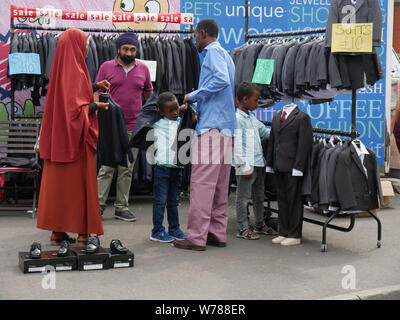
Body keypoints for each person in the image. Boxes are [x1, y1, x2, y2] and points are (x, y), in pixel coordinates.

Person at [37, 28, 109, 245]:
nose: (87, 48)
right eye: (85, 43)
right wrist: (97, 105)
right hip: (75, 142)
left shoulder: (61, 69)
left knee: (58, 186)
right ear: (77, 46)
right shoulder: (77, 71)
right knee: (80, 186)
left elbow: (70, 97)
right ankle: (83, 232)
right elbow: (76, 110)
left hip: (58, 139)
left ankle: (57, 232)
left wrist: (94, 86)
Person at [173, 18, 236, 251]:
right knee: (220, 185)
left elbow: (219, 81)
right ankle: (217, 233)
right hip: (226, 128)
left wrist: (192, 96)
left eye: (196, 36)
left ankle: (196, 237)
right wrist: (198, 106)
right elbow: (224, 88)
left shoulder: (211, 53)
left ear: (202, 34)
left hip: (212, 130)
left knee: (201, 184)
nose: (195, 41)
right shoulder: (227, 55)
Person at [95, 32, 153, 222]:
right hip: (111, 126)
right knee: (107, 167)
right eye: (126, 49)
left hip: (134, 126)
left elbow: (148, 93)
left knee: (127, 169)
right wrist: (99, 114)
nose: (129, 52)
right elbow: (97, 92)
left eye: (133, 49)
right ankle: (98, 207)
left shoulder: (143, 69)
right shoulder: (106, 67)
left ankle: (122, 207)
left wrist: (146, 117)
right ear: (118, 49)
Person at [233, 82, 277, 240]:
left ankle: (259, 224)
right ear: (245, 99)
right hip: (246, 165)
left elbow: (265, 132)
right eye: (255, 100)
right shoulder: (237, 119)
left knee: (259, 196)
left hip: (258, 163)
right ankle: (242, 228)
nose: (257, 103)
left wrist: (283, 130)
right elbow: (236, 145)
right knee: (243, 197)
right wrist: (243, 166)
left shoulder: (251, 118)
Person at [150, 92, 187, 243]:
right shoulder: (156, 123)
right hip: (162, 168)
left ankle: (174, 228)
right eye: (170, 110)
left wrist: (184, 110)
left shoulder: (181, 122)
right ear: (161, 111)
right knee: (160, 201)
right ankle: (157, 231)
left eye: (176, 109)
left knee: (173, 201)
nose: (174, 112)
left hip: (176, 168)